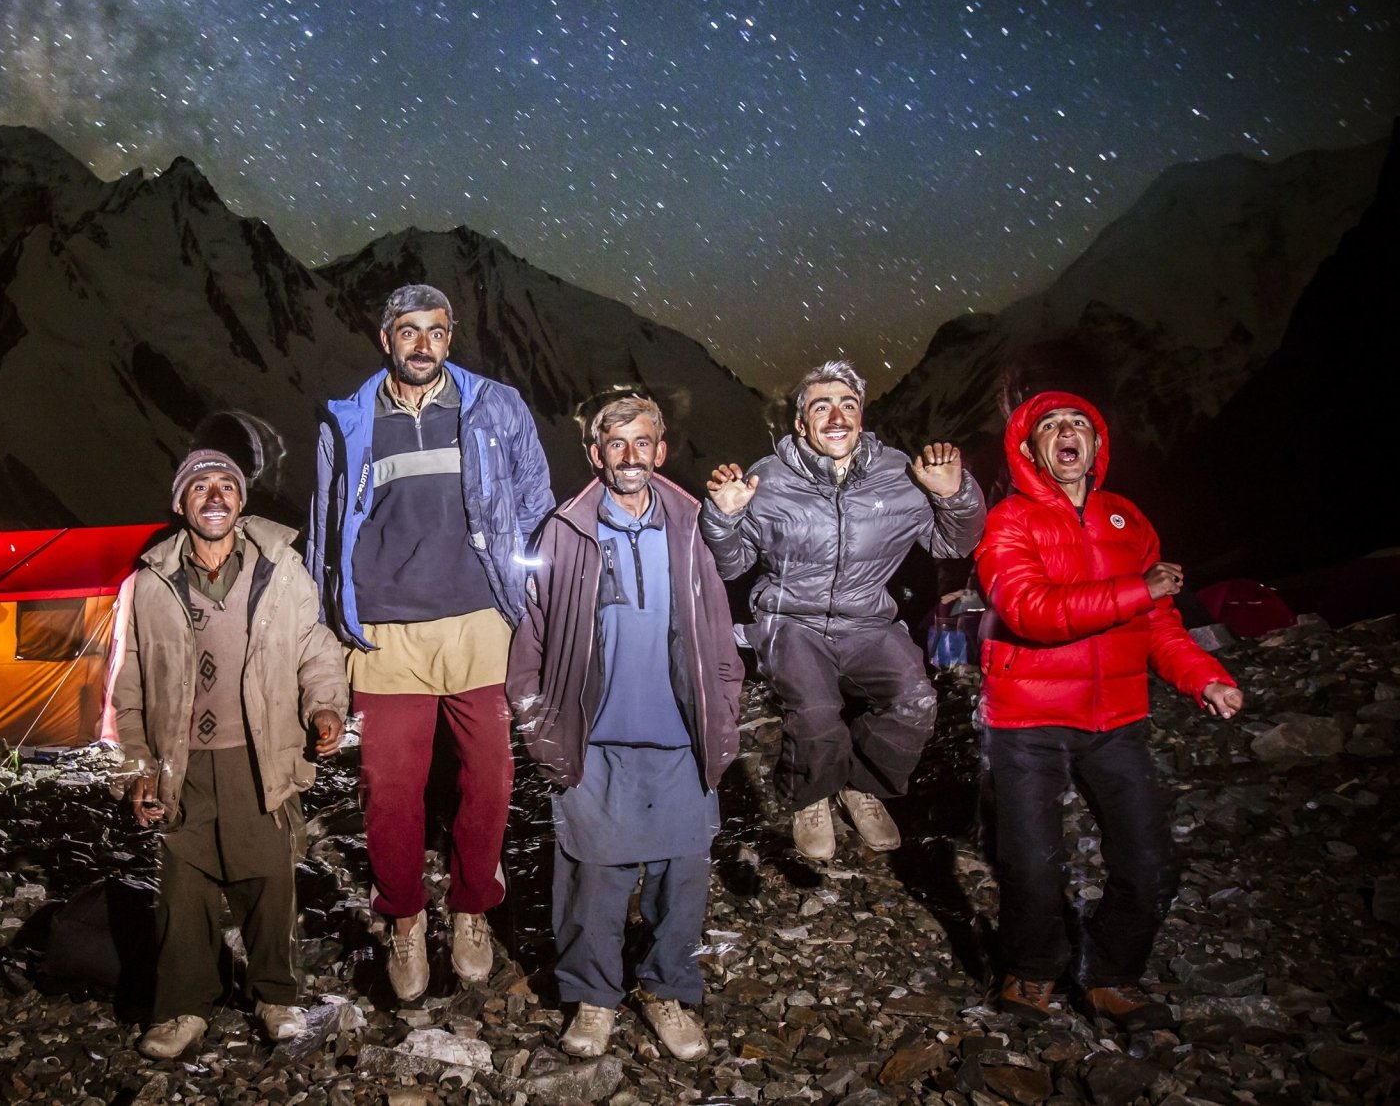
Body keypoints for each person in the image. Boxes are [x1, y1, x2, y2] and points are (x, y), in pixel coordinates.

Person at [307, 283, 554, 1000]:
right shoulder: (347, 421)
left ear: (450, 339)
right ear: (386, 339)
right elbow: (327, 526)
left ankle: (473, 903)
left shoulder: (495, 405)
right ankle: (405, 918)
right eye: (409, 331)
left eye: (436, 331)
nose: (423, 343)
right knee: (388, 788)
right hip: (385, 631)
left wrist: (537, 606)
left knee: (491, 776)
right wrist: (329, 629)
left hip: (481, 618)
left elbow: (535, 506)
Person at [974, 392, 1242, 1031]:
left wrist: (1205, 677)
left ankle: (1109, 973)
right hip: (1027, 721)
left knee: (1149, 861)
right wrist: (1136, 590)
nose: (1067, 434)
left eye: (1079, 426)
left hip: (1116, 719)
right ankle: (1033, 969)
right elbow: (1030, 612)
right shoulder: (1010, 521)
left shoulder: (1128, 520)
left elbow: (1160, 624)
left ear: (1096, 446)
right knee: (1031, 861)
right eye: (1050, 427)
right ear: (1029, 448)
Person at [507, 394, 742, 1061]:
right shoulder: (566, 531)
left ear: (661, 451)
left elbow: (719, 634)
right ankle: (594, 997)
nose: (631, 455)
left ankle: (667, 987)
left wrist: (722, 711)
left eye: (643, 442)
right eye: (617, 443)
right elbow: (533, 639)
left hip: (680, 739)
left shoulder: (692, 525)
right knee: (592, 881)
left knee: (682, 879)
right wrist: (540, 730)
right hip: (594, 742)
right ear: (596, 455)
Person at [114, 449, 348, 1059]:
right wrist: (138, 767)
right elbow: (132, 681)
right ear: (179, 503)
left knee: (269, 875)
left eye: (227, 486)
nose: (214, 496)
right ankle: (184, 1008)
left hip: (258, 749)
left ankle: (274, 995)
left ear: (242, 502)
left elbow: (314, 646)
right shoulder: (149, 582)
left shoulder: (281, 566)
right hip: (182, 760)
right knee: (182, 885)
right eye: (200, 487)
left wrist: (326, 706)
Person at [702, 358, 985, 861]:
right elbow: (733, 564)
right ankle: (809, 796)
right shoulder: (766, 480)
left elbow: (951, 544)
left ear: (861, 415)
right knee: (815, 711)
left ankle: (861, 783)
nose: (836, 416)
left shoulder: (900, 475)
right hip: (791, 621)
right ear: (800, 423)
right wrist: (724, 519)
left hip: (868, 619)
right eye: (821, 406)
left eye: (847, 405)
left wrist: (954, 495)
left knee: (916, 701)